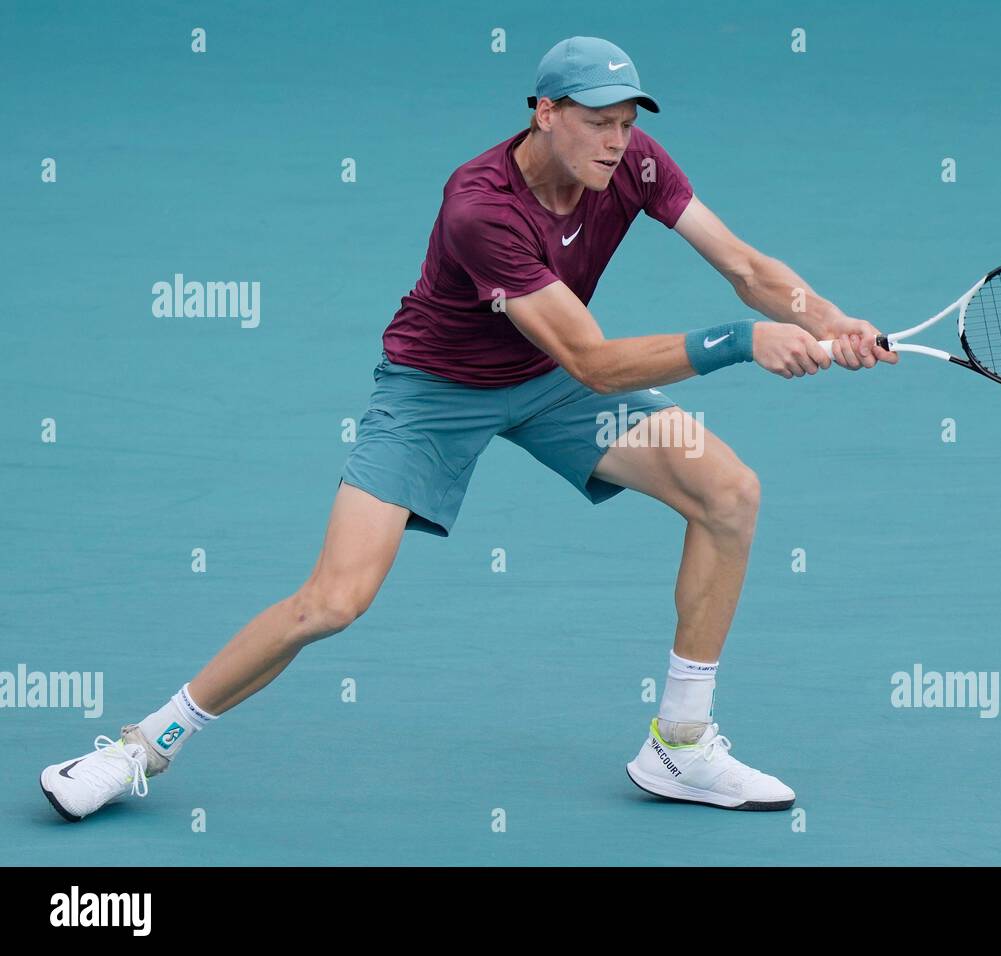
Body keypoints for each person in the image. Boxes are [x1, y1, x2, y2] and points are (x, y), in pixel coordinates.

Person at [39, 35, 895, 822]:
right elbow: (595, 360)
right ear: (543, 113)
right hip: (435, 397)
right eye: (597, 122)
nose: (617, 141)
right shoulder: (479, 205)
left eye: (627, 123)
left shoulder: (633, 164)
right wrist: (743, 343)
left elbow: (744, 265)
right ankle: (141, 747)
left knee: (728, 492)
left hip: (549, 386)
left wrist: (828, 318)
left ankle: (680, 745)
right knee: (333, 602)